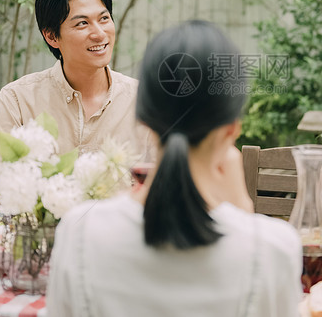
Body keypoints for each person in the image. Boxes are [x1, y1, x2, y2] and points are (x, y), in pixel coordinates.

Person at [47, 21, 302, 317]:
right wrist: (244, 212)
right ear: (232, 129)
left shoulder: (79, 234)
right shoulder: (274, 249)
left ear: (143, 121)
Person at [0, 0, 144, 200]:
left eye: (104, 18)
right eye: (82, 24)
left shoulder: (144, 100)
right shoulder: (17, 100)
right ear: (51, 36)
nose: (99, 33)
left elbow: (165, 188)